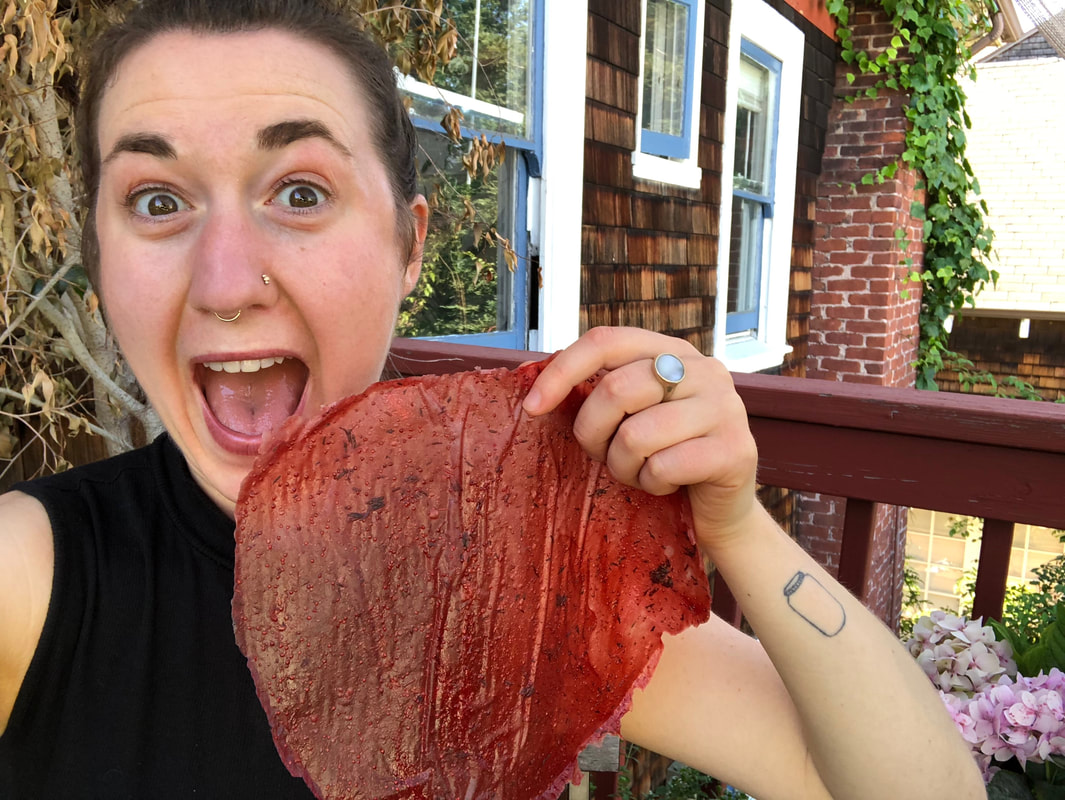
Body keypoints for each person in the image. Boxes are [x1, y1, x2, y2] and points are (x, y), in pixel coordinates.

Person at [0, 1, 983, 797]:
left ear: (410, 243)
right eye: (156, 200)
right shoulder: (31, 579)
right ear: (99, 264)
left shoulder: (517, 567)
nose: (224, 278)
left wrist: (736, 525)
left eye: (300, 192)